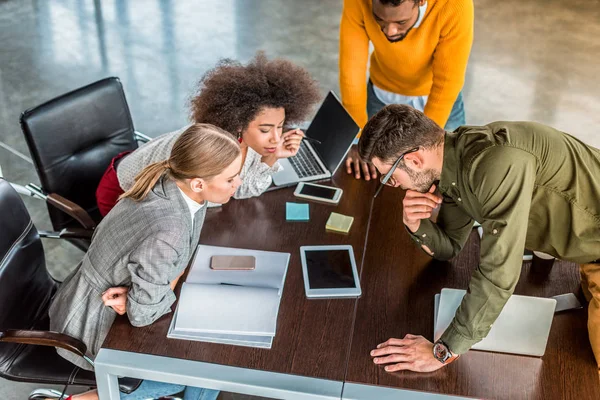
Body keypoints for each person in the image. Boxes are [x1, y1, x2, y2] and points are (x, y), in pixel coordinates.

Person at [358, 104, 600, 374]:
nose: (396, 186)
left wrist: (443, 351)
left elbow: (499, 273)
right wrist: (415, 223)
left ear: (414, 160)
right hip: (585, 252)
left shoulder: (494, 165)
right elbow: (449, 247)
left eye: (389, 178)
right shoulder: (454, 164)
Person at [49, 124, 242, 400]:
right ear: (199, 183)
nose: (238, 184)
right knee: (207, 367)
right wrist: (147, 297)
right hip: (92, 325)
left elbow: (174, 266)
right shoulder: (169, 231)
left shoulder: (172, 181)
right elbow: (141, 315)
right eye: (231, 179)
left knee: (212, 361)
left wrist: (147, 293)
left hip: (87, 297)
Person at [96, 52, 321, 216]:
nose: (276, 137)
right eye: (265, 129)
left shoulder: (249, 143)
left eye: (280, 126)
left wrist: (273, 155)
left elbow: (244, 190)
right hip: (124, 193)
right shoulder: (211, 149)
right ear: (239, 123)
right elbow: (212, 199)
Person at [339, 0, 473, 181]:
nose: (389, 31)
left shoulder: (455, 5)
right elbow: (351, 72)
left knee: (451, 177)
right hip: (382, 96)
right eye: (379, 19)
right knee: (376, 177)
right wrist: (356, 138)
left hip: (440, 100)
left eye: (401, 22)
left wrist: (425, 147)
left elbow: (447, 81)